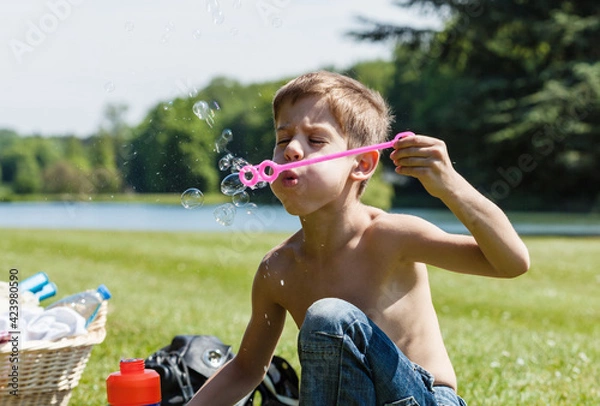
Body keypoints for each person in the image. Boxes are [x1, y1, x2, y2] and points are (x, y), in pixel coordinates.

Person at [188, 71, 530, 405]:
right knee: (328, 318)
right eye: (282, 139)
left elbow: (511, 263)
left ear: (362, 164)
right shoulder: (277, 269)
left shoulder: (391, 237)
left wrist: (452, 186)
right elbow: (246, 369)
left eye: (315, 140)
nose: (291, 149)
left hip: (425, 400)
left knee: (329, 317)